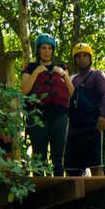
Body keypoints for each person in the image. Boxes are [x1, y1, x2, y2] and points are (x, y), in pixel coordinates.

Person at [21, 32, 74, 176]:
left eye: (49, 48)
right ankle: (40, 193)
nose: (46, 51)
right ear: (38, 50)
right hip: (37, 115)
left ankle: (60, 190)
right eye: (43, 48)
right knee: (39, 157)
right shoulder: (30, 67)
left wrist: (63, 74)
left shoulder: (61, 67)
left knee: (58, 157)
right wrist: (36, 72)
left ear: (53, 50)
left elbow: (71, 92)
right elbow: (24, 90)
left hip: (59, 115)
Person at [65, 42, 105, 176]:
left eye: (85, 56)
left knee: (96, 166)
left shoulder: (97, 75)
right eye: (78, 56)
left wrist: (103, 115)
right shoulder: (72, 80)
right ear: (75, 60)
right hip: (75, 129)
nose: (82, 59)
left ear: (90, 58)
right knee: (72, 169)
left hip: (93, 126)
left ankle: (101, 196)